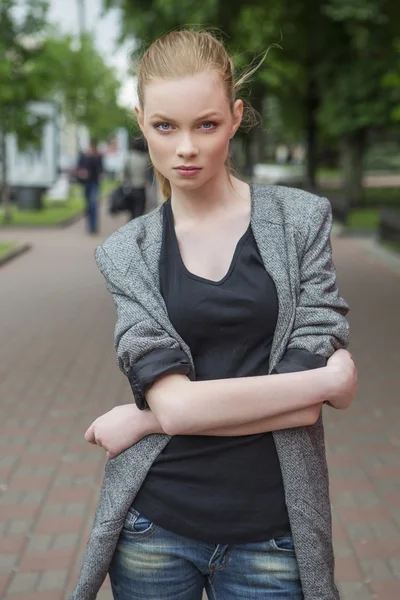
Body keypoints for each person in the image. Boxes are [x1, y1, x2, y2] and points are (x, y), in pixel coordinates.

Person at [69, 30, 357, 600]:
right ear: (141, 122)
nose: (186, 148)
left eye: (206, 124)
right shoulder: (127, 254)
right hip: (155, 530)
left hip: (273, 536)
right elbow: (179, 406)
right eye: (164, 126)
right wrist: (327, 381)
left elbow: (300, 411)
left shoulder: (301, 223)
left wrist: (144, 419)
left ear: (235, 116)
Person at [76, 138, 103, 234]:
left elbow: (100, 169)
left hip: (94, 183)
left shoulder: (98, 157)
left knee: (93, 204)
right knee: (88, 205)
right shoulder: (83, 157)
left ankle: (93, 226)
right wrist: (82, 173)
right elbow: (78, 168)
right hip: (86, 183)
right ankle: (89, 225)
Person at [119, 136, 149, 221]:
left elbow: (124, 173)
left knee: (131, 212)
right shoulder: (145, 159)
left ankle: (131, 229)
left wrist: (124, 183)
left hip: (130, 188)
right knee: (140, 211)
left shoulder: (129, 157)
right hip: (141, 188)